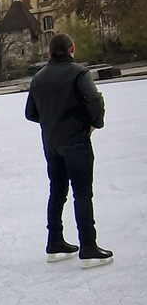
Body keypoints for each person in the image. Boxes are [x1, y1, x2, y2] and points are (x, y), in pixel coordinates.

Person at [25, 33, 111, 268]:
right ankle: (89, 246)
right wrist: (93, 122)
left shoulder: (38, 78)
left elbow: (30, 113)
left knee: (57, 192)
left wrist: (51, 121)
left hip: (51, 143)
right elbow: (94, 99)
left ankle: (55, 241)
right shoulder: (78, 72)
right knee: (82, 193)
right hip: (76, 140)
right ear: (72, 49)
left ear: (49, 53)